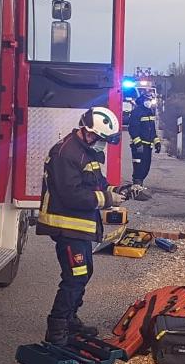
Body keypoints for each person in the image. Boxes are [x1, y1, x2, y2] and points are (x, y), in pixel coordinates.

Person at [36, 106, 124, 346]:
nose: (102, 145)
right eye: (101, 139)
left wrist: (118, 191)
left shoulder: (86, 151)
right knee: (75, 276)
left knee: (84, 273)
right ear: (88, 132)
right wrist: (107, 199)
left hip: (79, 226)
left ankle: (70, 320)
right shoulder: (66, 154)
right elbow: (72, 196)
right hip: (66, 225)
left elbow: (98, 183)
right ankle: (56, 329)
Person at [128, 94, 161, 186]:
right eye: (148, 100)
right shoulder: (136, 112)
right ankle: (137, 189)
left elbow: (152, 130)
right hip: (139, 146)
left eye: (150, 100)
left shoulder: (149, 112)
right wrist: (138, 144)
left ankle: (140, 186)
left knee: (146, 167)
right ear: (143, 100)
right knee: (139, 167)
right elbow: (133, 129)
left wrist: (157, 142)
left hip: (148, 146)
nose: (149, 102)